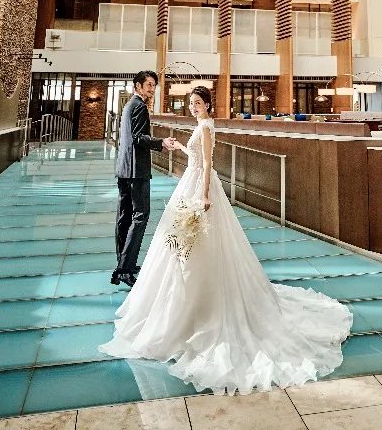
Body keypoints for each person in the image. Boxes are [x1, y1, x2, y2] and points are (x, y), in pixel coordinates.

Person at [98, 85, 352, 395]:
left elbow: (207, 164)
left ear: (207, 104)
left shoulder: (206, 126)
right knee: (179, 243)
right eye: (191, 103)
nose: (193, 107)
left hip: (199, 187)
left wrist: (204, 195)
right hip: (190, 182)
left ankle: (199, 302)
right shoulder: (201, 125)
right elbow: (196, 157)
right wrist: (181, 148)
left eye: (197, 103)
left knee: (196, 243)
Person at [112, 70, 164, 288]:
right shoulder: (140, 106)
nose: (152, 89)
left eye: (154, 85)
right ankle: (125, 269)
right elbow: (138, 138)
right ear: (138, 86)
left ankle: (124, 263)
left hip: (124, 169)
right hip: (136, 171)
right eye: (148, 85)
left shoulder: (128, 105)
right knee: (140, 216)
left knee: (124, 218)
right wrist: (161, 142)